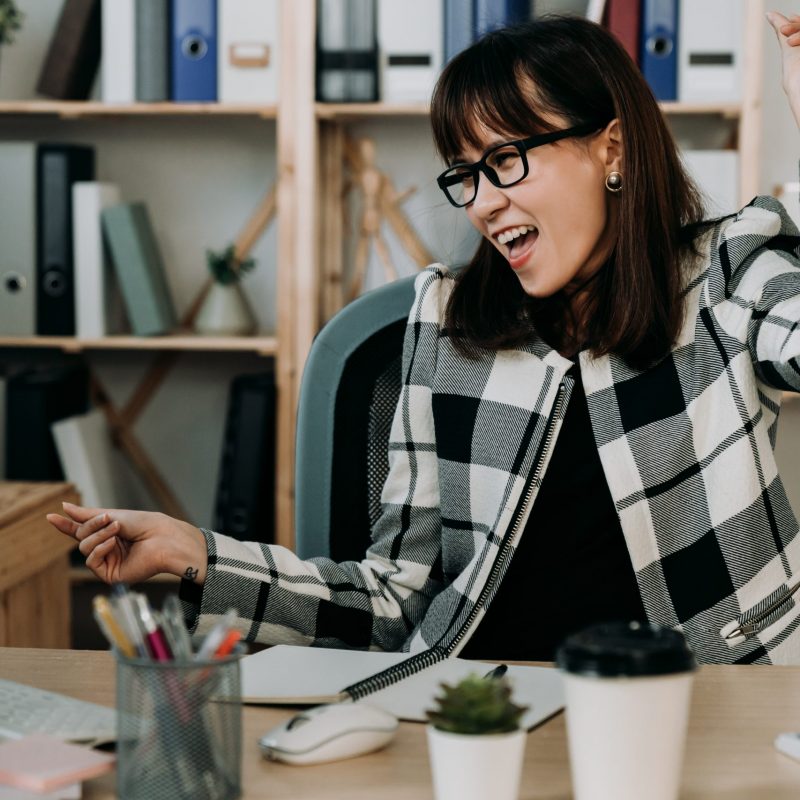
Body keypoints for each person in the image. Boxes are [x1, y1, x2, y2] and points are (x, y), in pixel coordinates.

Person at [49, 12, 800, 665]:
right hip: (479, 711)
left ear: (613, 148)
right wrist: (197, 555)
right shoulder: (447, 324)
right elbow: (392, 601)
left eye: (506, 160)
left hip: (705, 705)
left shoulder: (730, 269)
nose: (484, 202)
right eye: (465, 174)